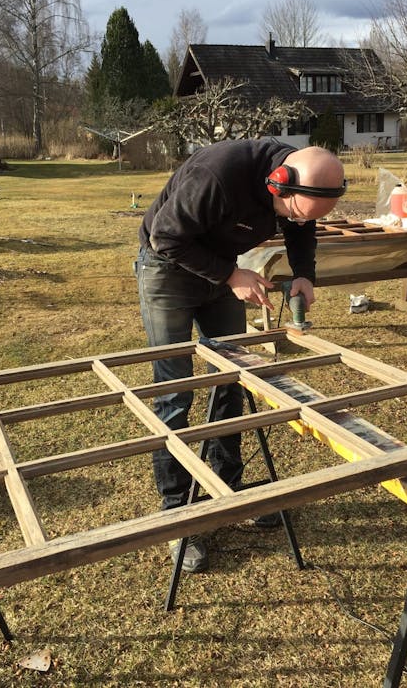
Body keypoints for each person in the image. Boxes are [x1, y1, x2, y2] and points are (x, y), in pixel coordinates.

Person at [136, 138, 346, 572]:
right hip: (167, 269)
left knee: (231, 380)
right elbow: (166, 237)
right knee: (176, 394)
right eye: (294, 212)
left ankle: (229, 493)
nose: (296, 223)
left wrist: (305, 274)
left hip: (223, 271)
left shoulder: (300, 182)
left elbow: (301, 226)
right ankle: (177, 515)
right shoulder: (217, 174)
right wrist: (232, 274)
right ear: (278, 185)